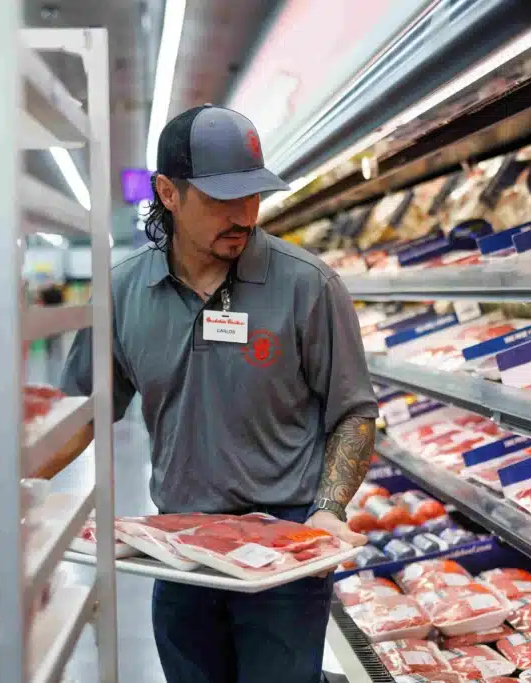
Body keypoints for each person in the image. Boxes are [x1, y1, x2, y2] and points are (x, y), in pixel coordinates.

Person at [57, 104, 378, 683]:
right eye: (220, 198)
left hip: (285, 555)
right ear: (168, 193)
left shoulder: (308, 285)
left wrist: (328, 510)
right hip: (179, 550)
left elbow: (353, 412)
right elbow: (81, 412)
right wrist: (8, 489)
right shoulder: (123, 292)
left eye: (251, 195)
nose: (243, 215)